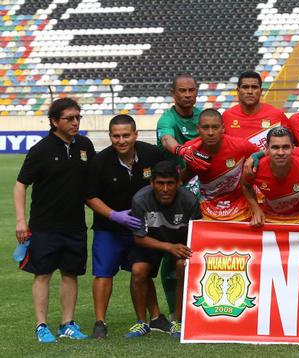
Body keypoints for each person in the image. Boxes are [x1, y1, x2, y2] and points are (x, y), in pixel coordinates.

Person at [14, 98, 95, 343]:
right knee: (43, 274)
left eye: (78, 117)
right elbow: (20, 185)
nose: (75, 122)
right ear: (54, 121)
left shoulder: (85, 145)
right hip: (44, 225)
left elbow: (93, 183)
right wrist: (21, 220)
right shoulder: (41, 150)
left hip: (75, 226)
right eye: (69, 118)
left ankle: (67, 324)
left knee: (71, 274)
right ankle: (41, 325)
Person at [85, 114, 169, 339]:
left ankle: (156, 318)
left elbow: (166, 183)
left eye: (126, 135)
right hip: (109, 228)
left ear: (135, 135)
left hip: (142, 228)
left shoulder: (152, 154)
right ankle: (100, 322)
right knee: (103, 274)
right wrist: (114, 215)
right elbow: (90, 196)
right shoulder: (99, 161)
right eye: (116, 136)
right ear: (110, 137)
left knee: (142, 272)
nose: (121, 141)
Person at [155, 73, 208, 318]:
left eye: (191, 91)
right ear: (173, 94)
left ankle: (203, 305)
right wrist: (180, 150)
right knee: (173, 254)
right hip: (175, 195)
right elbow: (166, 138)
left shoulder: (204, 117)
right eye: (182, 91)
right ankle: (176, 313)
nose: (188, 95)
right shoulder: (168, 119)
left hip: (208, 193)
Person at [128, 161, 202, 338]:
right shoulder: (140, 199)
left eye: (170, 183)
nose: (165, 188)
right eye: (160, 183)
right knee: (138, 270)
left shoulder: (189, 200)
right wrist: (168, 246)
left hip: (180, 241)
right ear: (151, 183)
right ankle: (141, 323)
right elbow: (139, 237)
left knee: (182, 267)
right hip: (151, 240)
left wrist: (178, 248)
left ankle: (177, 321)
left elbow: (196, 234)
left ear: (178, 183)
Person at [183, 109, 260, 221]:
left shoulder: (240, 145)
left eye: (215, 127)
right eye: (205, 128)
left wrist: (254, 158)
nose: (210, 133)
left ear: (223, 128)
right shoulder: (190, 149)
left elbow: (265, 157)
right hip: (206, 208)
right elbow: (185, 177)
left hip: (240, 207)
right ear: (198, 129)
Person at [242, 127, 299, 227]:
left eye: (285, 147)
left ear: (293, 148)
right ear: (267, 148)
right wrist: (256, 210)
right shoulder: (255, 169)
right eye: (275, 147)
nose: (280, 153)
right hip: (269, 218)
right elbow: (246, 186)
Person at [222, 71, 288, 149]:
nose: (250, 91)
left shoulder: (277, 115)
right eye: (245, 87)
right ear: (238, 91)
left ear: (261, 91)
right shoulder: (227, 116)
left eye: (254, 87)